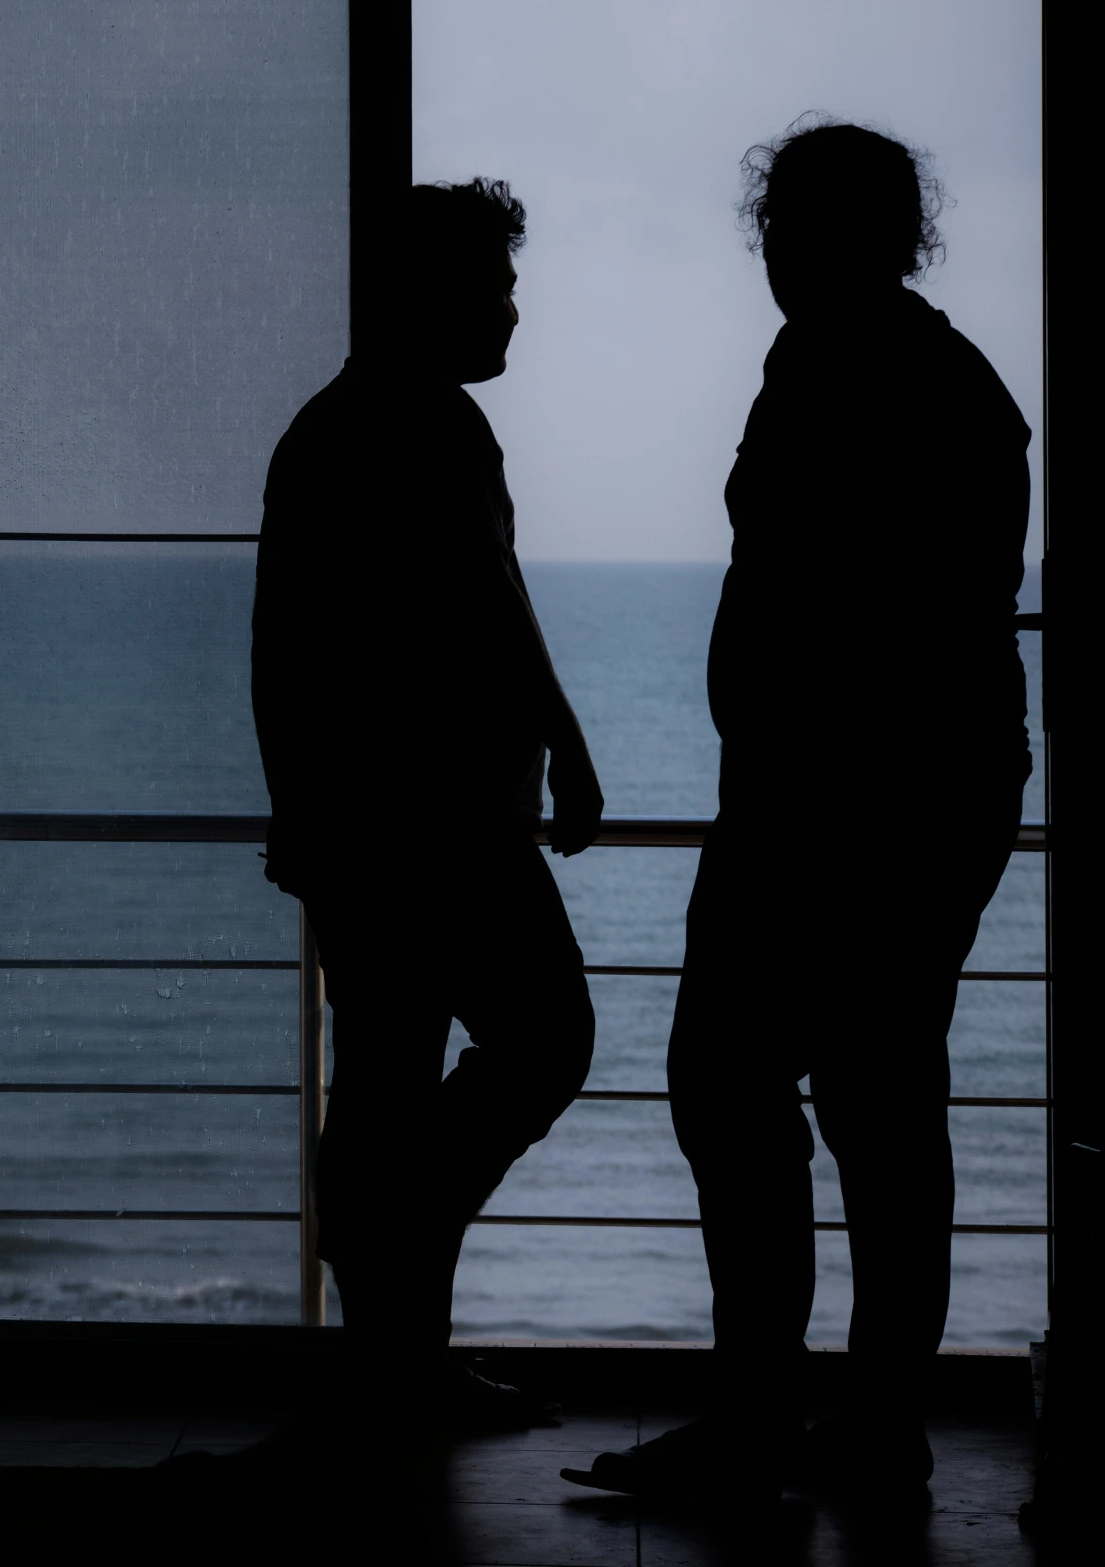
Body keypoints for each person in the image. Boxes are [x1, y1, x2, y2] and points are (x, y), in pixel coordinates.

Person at [565, 118, 1033, 1501]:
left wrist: (758, 745)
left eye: (777, 228)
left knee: (727, 1082)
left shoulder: (828, 364)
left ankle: (763, 1420)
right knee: (884, 1101)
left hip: (823, 795)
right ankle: (874, 1426)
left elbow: (803, 590)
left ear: (798, 235)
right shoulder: (965, 380)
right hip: (938, 787)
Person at [252, 178, 603, 1426]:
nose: (512, 310)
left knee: (394, 1074)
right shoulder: (398, 428)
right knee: (528, 1043)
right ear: (429, 294)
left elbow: (472, 601)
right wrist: (554, 743)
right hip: (430, 820)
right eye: (494, 285)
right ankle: (400, 1328)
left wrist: (558, 737)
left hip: (408, 817)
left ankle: (397, 1347)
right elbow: (321, 645)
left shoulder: (366, 425)